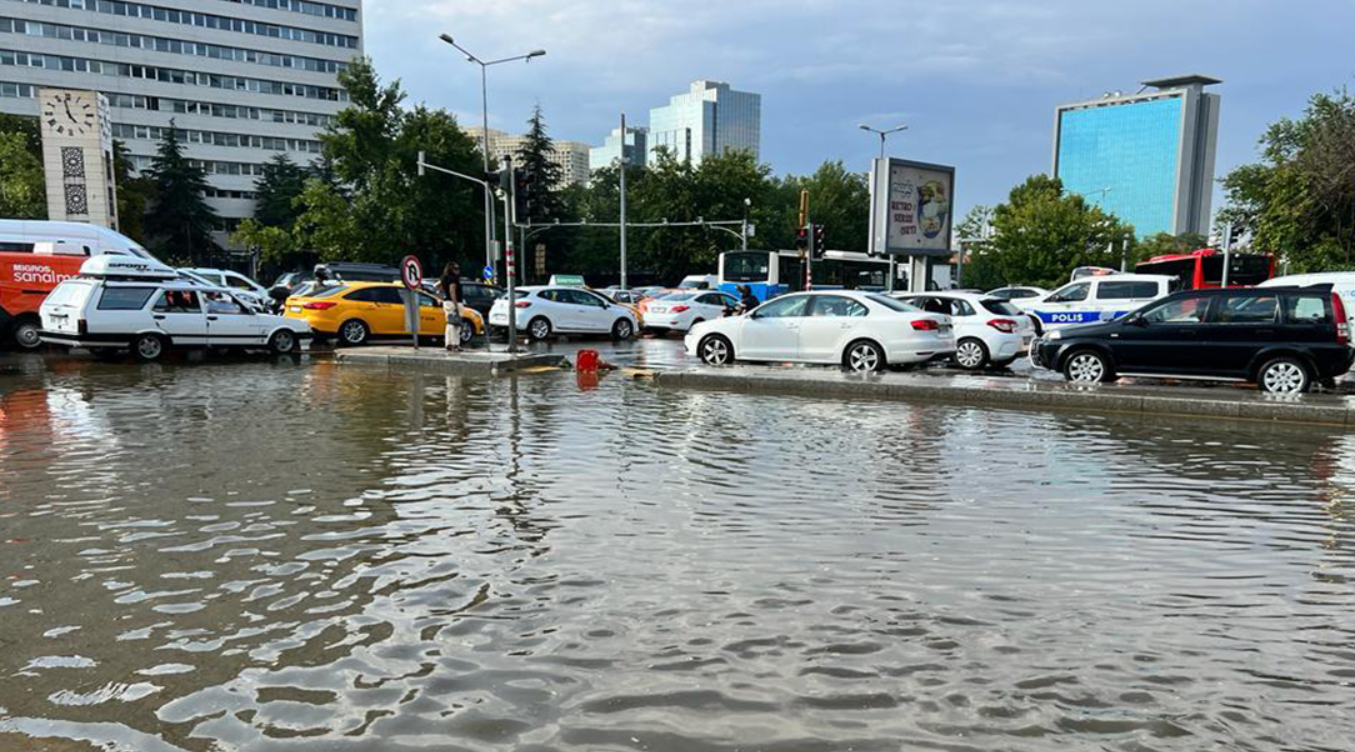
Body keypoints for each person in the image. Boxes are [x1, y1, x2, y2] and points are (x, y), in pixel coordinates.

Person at [439, 262, 463, 352]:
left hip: (446, 302)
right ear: (452, 270)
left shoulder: (444, 278)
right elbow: (452, 292)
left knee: (450, 324)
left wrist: (441, 298)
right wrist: (456, 305)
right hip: (454, 303)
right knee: (456, 325)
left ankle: (448, 343)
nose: (458, 271)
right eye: (456, 269)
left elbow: (438, 288)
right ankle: (455, 344)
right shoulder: (453, 279)